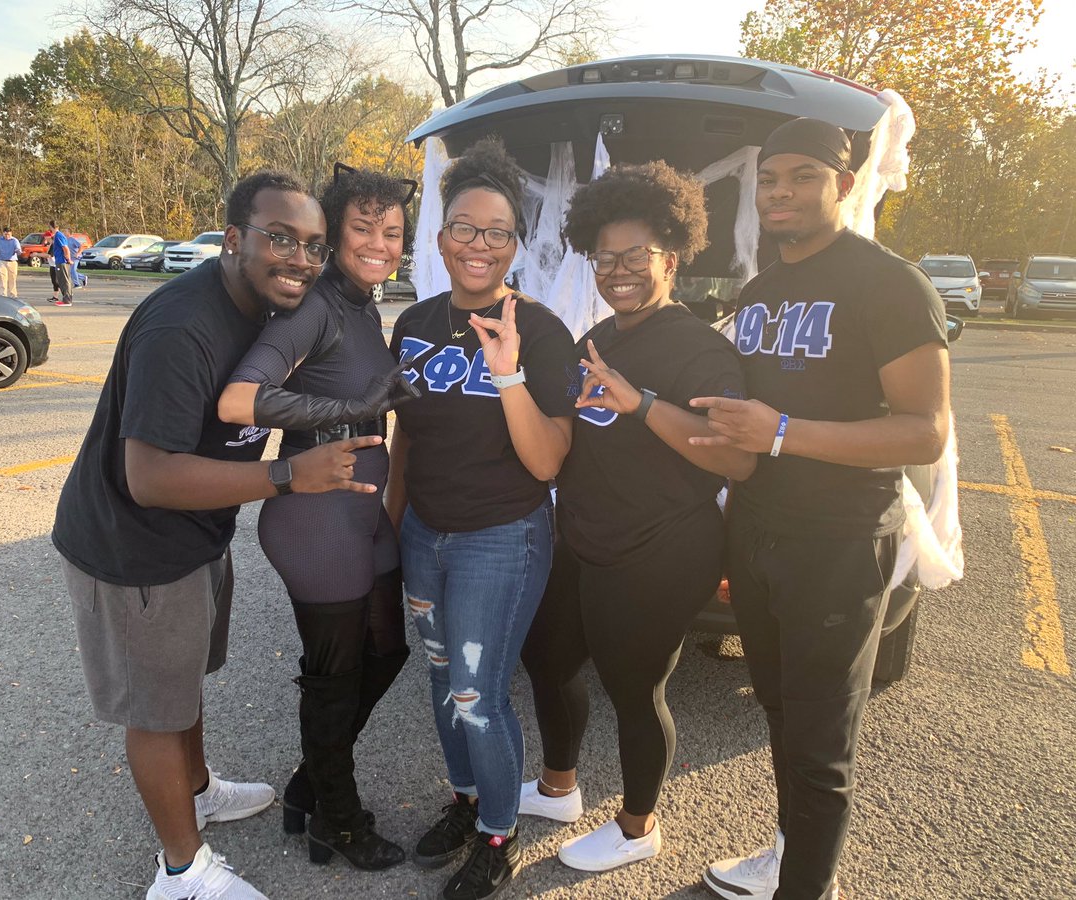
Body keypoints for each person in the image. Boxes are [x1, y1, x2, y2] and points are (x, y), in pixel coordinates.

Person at [52, 170, 383, 900]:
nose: (299, 258)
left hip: (198, 534)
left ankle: (196, 789)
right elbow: (152, 477)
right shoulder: (184, 326)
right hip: (133, 543)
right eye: (279, 239)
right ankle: (181, 872)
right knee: (155, 708)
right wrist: (291, 479)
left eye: (313, 246)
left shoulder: (259, 307)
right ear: (232, 239)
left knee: (181, 683)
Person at [691, 119, 950, 900]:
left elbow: (925, 432)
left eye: (803, 177)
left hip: (839, 543)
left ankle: (810, 885)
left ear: (842, 185)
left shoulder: (890, 284)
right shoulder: (762, 289)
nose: (781, 193)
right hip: (760, 530)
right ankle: (789, 853)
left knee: (821, 741)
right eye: (770, 180)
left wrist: (781, 434)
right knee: (778, 710)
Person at [518, 162, 757, 873]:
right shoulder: (603, 336)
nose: (617, 271)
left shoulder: (702, 348)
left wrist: (644, 404)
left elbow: (737, 461)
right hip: (585, 536)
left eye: (635, 257)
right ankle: (559, 787)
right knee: (548, 657)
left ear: (672, 259)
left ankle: (635, 827)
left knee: (633, 688)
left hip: (659, 548)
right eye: (605, 258)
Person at [385, 138, 577, 900]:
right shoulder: (415, 325)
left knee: (478, 693)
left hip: (502, 538)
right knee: (440, 677)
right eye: (465, 227)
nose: (479, 244)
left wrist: (508, 373)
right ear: (441, 238)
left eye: (497, 232)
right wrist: (390, 526)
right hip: (423, 534)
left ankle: (499, 835)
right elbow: (406, 440)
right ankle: (466, 802)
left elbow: (547, 462)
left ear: (515, 246)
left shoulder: (543, 331)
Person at [217, 165, 419, 871]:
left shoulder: (364, 302)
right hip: (316, 521)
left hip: (361, 515)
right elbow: (241, 400)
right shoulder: (319, 306)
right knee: (333, 679)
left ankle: (309, 784)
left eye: (391, 231)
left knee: (388, 650)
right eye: (363, 227)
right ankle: (339, 818)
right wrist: (349, 413)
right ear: (334, 235)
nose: (379, 242)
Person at [0, 226, 22, 298]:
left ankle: (13, 295)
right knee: (3, 279)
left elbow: (18, 249)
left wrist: (17, 251)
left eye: (8, 234)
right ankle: (3, 295)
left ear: (11, 234)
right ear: (3, 233)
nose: (7, 236)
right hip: (2, 261)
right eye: (5, 234)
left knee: (12, 279)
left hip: (12, 261)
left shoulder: (15, 240)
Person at [50, 223, 74, 306]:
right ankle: (66, 298)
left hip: (62, 261)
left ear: (51, 227)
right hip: (59, 261)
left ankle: (67, 300)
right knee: (62, 280)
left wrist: (68, 259)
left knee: (64, 281)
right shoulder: (58, 235)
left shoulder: (58, 235)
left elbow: (65, 248)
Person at [44, 220, 61, 302]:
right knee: (54, 281)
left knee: (57, 282)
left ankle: (66, 294)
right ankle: (55, 297)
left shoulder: (53, 244)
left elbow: (49, 255)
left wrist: (37, 254)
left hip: (56, 264)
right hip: (52, 265)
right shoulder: (49, 245)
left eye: (46, 237)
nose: (45, 238)